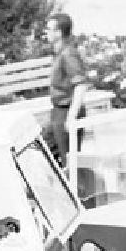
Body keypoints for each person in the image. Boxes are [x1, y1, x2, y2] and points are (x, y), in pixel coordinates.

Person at [45, 12, 90, 167]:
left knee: (70, 163)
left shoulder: (68, 53)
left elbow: (81, 84)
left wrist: (71, 116)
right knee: (47, 153)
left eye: (49, 29)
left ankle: (76, 190)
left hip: (67, 110)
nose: (46, 33)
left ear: (59, 32)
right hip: (58, 111)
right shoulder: (59, 53)